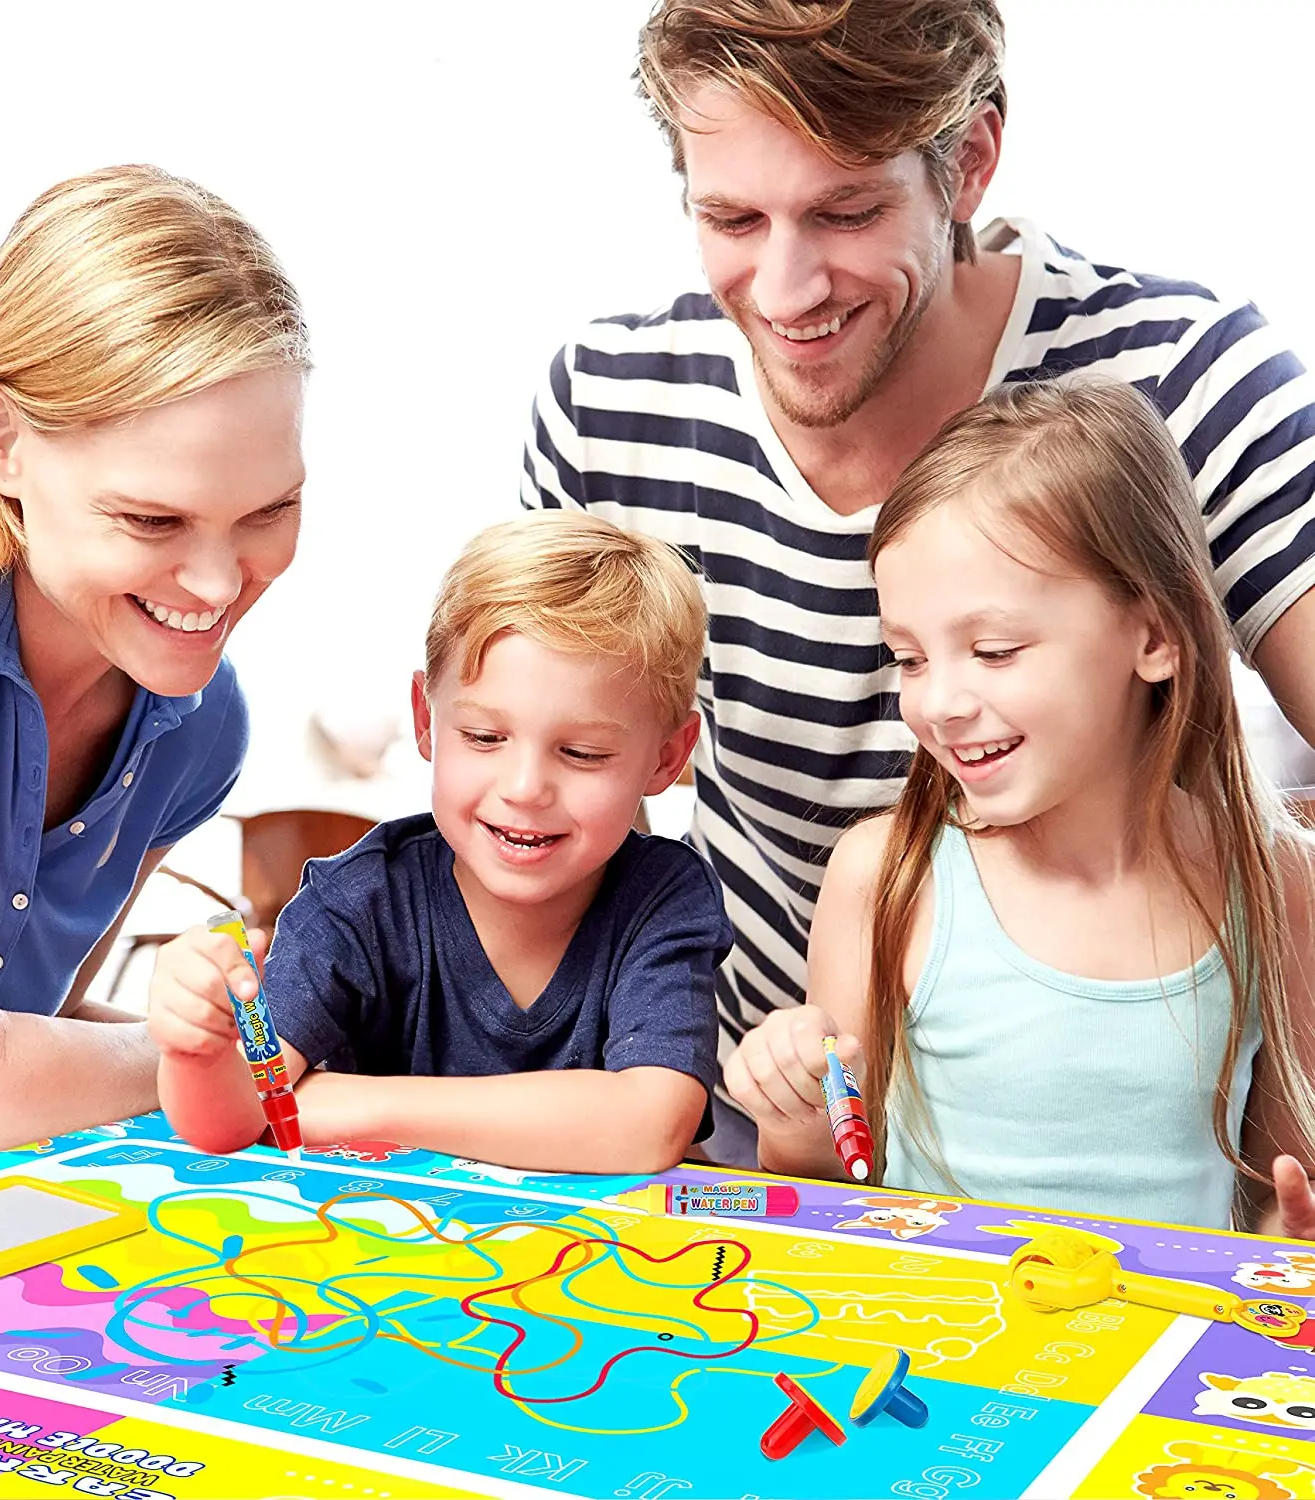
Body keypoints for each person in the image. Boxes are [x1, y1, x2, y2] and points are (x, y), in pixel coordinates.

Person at [522, 0, 1315, 1169]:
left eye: (846, 212)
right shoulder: (608, 407)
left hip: (1129, 1138)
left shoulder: (1185, 375)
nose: (786, 291)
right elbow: (554, 829)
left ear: (970, 161)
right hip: (754, 1120)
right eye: (731, 218)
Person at [725, 379, 1315, 1235]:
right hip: (938, 1318)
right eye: (910, 659)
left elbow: (1276, 1189)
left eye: (994, 650)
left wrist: (1289, 1236)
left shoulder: (1274, 879)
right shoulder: (886, 875)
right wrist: (795, 1122)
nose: (939, 703)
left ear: (1155, 635)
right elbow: (833, 1190)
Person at [0, 165, 308, 1165]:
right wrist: (263, 1058)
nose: (218, 584)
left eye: (269, 510)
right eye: (152, 520)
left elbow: (36, 1034)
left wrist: (237, 1035)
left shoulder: (199, 720)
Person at [148, 510, 731, 1174]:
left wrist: (346, 1104)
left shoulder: (662, 896)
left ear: (667, 757)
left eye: (583, 753)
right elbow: (236, 1115)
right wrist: (195, 1053)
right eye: (484, 737)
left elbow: (649, 1126)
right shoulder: (359, 901)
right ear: (426, 718)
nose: (524, 788)